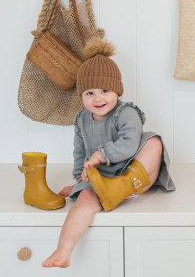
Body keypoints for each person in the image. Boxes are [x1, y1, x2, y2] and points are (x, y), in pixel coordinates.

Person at [42, 38, 175, 268]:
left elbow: (130, 144)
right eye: (89, 93)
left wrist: (101, 155)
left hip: (132, 173)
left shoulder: (126, 112)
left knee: (153, 142)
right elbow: (80, 150)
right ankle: (64, 248)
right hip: (100, 179)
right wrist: (78, 179)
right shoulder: (82, 119)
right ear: (82, 96)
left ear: (117, 90)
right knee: (83, 201)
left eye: (105, 90)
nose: (98, 98)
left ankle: (121, 188)